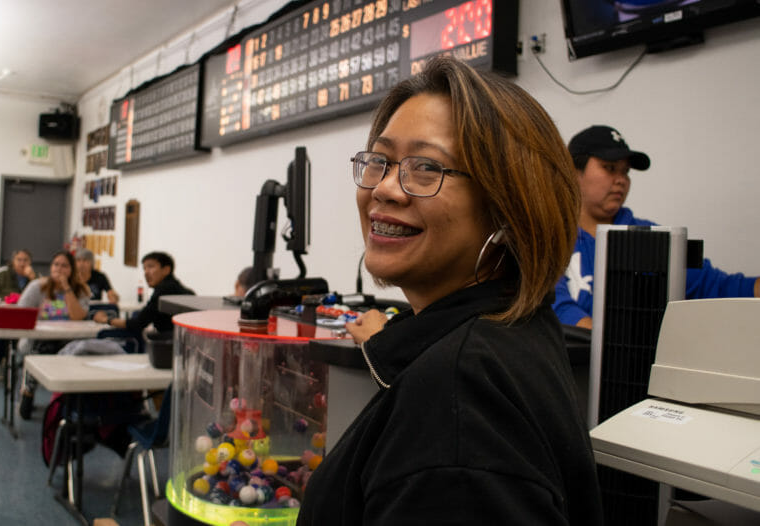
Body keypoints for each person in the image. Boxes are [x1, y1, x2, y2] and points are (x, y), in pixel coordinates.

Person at [297, 57, 602, 525]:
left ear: (508, 208)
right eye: (379, 161)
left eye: (425, 168)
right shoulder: (506, 335)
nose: (385, 188)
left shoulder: (460, 398)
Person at [553, 125, 760, 329]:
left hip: (638, 361)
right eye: (609, 168)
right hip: (569, 360)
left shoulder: (651, 239)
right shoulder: (550, 237)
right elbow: (555, 307)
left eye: (625, 171)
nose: (621, 180)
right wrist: (606, 343)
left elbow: (717, 286)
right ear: (573, 171)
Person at [17, 250, 91, 419]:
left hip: (68, 340)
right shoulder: (37, 287)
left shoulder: (80, 290)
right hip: (39, 339)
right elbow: (21, 313)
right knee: (39, 351)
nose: (59, 269)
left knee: (76, 353)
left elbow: (78, 317)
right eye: (56, 264)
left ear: (72, 270)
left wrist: (66, 288)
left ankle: (68, 399)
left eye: (64, 266)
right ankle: (28, 391)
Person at [93, 251, 193, 338]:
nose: (146, 272)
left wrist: (105, 320)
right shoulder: (178, 288)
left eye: (150, 267)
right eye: (144, 268)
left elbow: (137, 323)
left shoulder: (164, 291)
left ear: (166, 270)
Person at [0, 249, 38, 364]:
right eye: (19, 260)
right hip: (6, 315)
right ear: (13, 261)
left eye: (25, 260)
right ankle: (1, 359)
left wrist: (33, 278)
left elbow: (44, 295)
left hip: (26, 317)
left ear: (30, 262)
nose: (22, 263)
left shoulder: (35, 278)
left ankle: (23, 360)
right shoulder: (4, 275)